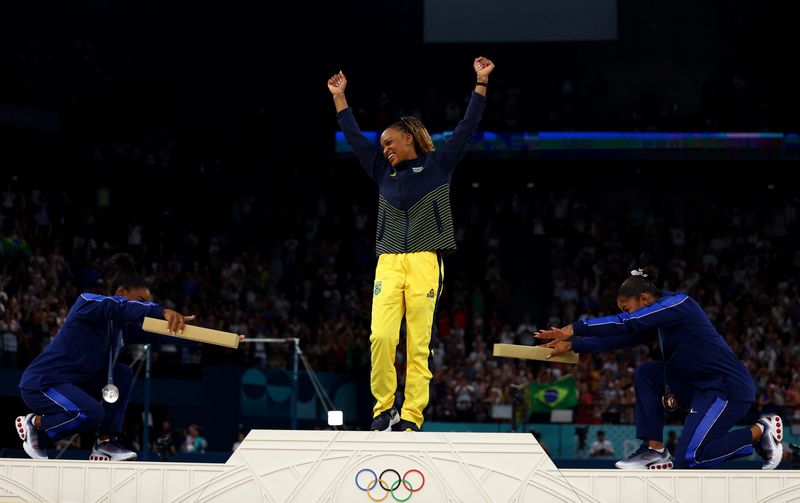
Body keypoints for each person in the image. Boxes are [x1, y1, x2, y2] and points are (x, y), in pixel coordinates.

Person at [327, 56, 495, 432]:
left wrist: (480, 83)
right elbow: (355, 139)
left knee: (418, 344)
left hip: (425, 261)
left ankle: (413, 416)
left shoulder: (439, 165)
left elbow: (467, 128)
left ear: (408, 138)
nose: (384, 148)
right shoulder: (381, 172)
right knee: (381, 338)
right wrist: (340, 98)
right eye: (382, 144)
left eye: (390, 142)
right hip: (388, 262)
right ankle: (382, 409)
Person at [537, 267, 782, 470]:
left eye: (626, 307)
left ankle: (761, 431)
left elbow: (627, 323)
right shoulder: (656, 318)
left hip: (727, 388)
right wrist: (574, 346)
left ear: (644, 298)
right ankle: (654, 450)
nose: (626, 313)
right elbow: (621, 338)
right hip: (699, 387)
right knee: (647, 374)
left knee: (690, 457)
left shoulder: (679, 303)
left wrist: (576, 327)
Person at [15, 253, 195, 461]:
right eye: (140, 301)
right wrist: (160, 310)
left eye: (147, 304)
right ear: (120, 292)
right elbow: (121, 307)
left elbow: (165, 334)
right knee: (91, 413)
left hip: (76, 385)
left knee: (122, 373)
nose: (144, 307)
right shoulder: (87, 302)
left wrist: (221, 338)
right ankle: (36, 424)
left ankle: (106, 442)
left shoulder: (124, 329)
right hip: (42, 383)